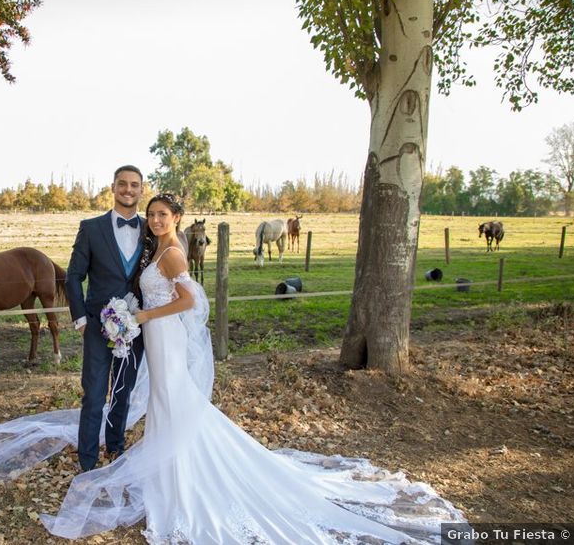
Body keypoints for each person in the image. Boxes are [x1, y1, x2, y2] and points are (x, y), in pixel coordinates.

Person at [38, 193, 466, 543]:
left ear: (177, 217)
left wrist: (143, 317)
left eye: (161, 214)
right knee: (165, 401)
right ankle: (169, 472)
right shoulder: (160, 247)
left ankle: (184, 478)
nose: (154, 219)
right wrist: (134, 313)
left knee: (173, 399)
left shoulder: (172, 252)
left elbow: (190, 301)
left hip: (162, 333)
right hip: (155, 334)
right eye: (151, 214)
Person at [65, 164, 147, 472]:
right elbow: (73, 277)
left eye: (134, 185)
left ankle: (115, 447)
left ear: (141, 189)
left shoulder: (150, 229)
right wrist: (81, 319)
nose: (128, 189)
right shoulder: (91, 228)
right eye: (122, 184)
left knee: (123, 391)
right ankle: (87, 461)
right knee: (95, 393)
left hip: (136, 328)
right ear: (112, 187)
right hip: (98, 327)